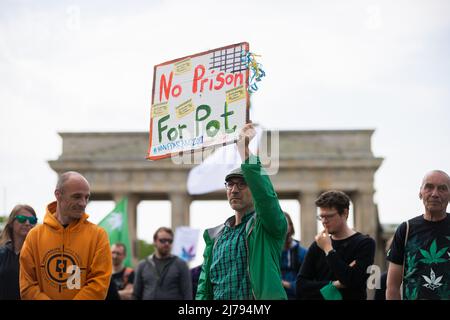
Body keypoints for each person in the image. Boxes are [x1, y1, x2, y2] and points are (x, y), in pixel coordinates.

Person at [196, 122, 288, 300]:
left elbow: (267, 198)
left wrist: (243, 149)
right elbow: (204, 288)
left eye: (242, 184)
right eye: (230, 184)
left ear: (254, 187)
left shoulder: (267, 228)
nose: (234, 190)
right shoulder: (215, 237)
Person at [19, 171, 112, 300]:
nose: (83, 203)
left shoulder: (98, 236)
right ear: (58, 195)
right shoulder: (34, 236)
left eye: (86, 197)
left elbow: (99, 285)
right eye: (77, 196)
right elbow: (27, 285)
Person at [296, 190, 376, 300]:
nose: (324, 221)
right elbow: (301, 287)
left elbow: (353, 281)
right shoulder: (317, 245)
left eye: (329, 216)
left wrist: (328, 249)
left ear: (345, 213)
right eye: (321, 217)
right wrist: (335, 284)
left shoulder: (365, 243)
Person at [386, 170, 450, 300]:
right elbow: (392, 286)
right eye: (429, 187)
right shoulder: (406, 229)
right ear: (420, 192)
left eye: (442, 188)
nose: (435, 194)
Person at [133, 227, 192, 300]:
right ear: (155, 242)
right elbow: (136, 294)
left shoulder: (181, 264)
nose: (167, 243)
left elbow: (187, 294)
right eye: (163, 240)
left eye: (170, 241)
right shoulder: (142, 265)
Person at [0, 204, 37, 300]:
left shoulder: (40, 254)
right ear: (11, 223)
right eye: (22, 219)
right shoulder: (2, 254)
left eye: (33, 220)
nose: (28, 223)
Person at [281, 212, 307, 299]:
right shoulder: (267, 251)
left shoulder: (302, 253)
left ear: (290, 227)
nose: (281, 226)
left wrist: (285, 284)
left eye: (284, 223)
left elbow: (308, 283)